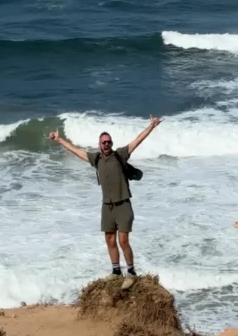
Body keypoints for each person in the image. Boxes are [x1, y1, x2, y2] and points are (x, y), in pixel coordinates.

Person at [48, 117, 162, 289]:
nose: (106, 144)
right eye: (103, 142)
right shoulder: (96, 159)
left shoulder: (120, 154)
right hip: (107, 206)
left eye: (108, 142)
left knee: (123, 240)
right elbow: (77, 151)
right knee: (109, 239)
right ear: (99, 144)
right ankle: (116, 271)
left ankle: (131, 272)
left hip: (123, 205)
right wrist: (59, 139)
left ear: (112, 143)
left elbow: (137, 141)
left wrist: (151, 126)